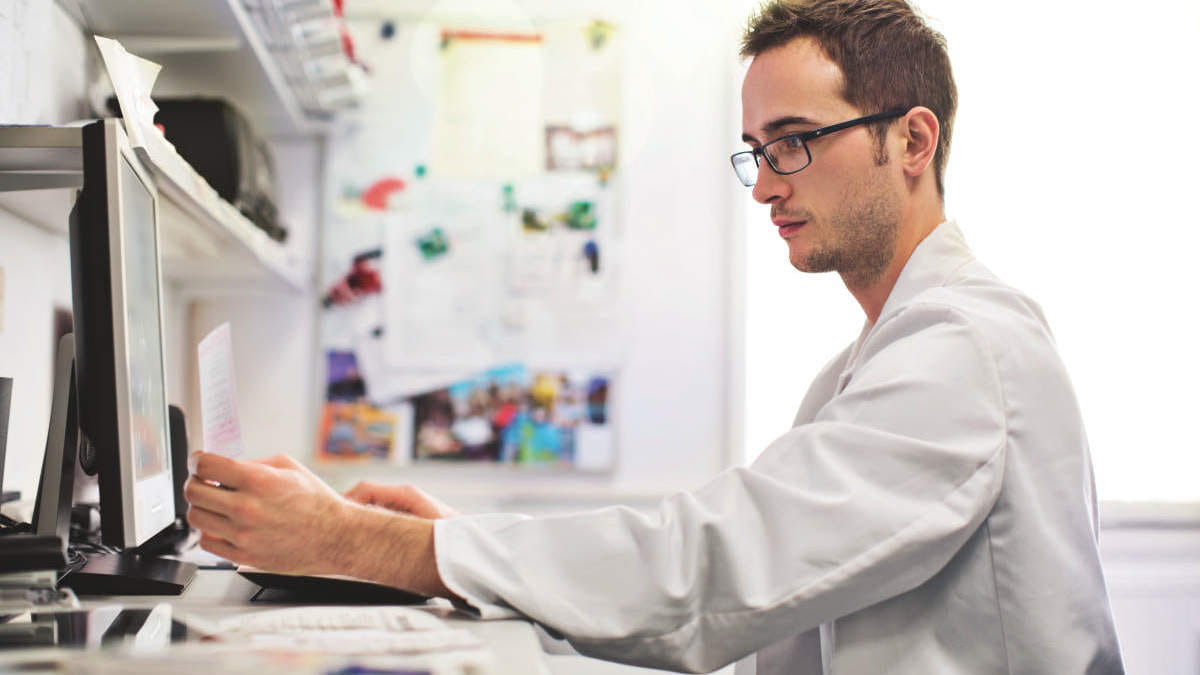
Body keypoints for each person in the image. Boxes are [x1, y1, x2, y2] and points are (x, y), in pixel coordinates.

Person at [184, 0, 1125, 672]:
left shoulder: (965, 349)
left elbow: (714, 567)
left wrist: (359, 542)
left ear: (912, 142)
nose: (764, 185)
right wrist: (456, 542)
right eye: (756, 152)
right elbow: (747, 574)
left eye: (793, 140)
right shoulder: (873, 361)